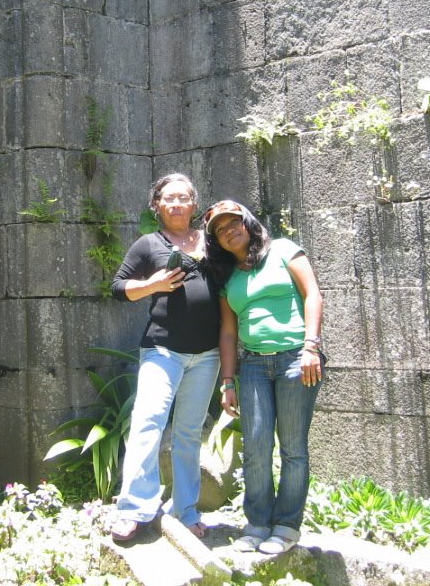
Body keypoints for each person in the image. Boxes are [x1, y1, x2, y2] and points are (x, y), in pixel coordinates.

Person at [203, 200, 325, 555]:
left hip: (296, 360)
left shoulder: (285, 250)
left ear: (248, 222)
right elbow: (228, 332)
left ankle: (286, 526)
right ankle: (257, 524)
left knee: (293, 448)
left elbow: (312, 294)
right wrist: (227, 382)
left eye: (233, 222)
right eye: (221, 230)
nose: (229, 230)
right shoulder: (229, 277)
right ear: (217, 241)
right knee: (256, 448)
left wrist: (311, 347)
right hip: (253, 365)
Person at [108, 173, 223, 543]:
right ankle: (135, 510)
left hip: (207, 355)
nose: (175, 204)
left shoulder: (211, 241)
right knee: (147, 423)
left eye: (183, 198)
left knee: (189, 432)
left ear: (194, 204)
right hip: (162, 350)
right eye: (168, 198)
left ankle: (185, 510)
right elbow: (118, 288)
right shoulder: (148, 244)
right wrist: (153, 285)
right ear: (155, 205)